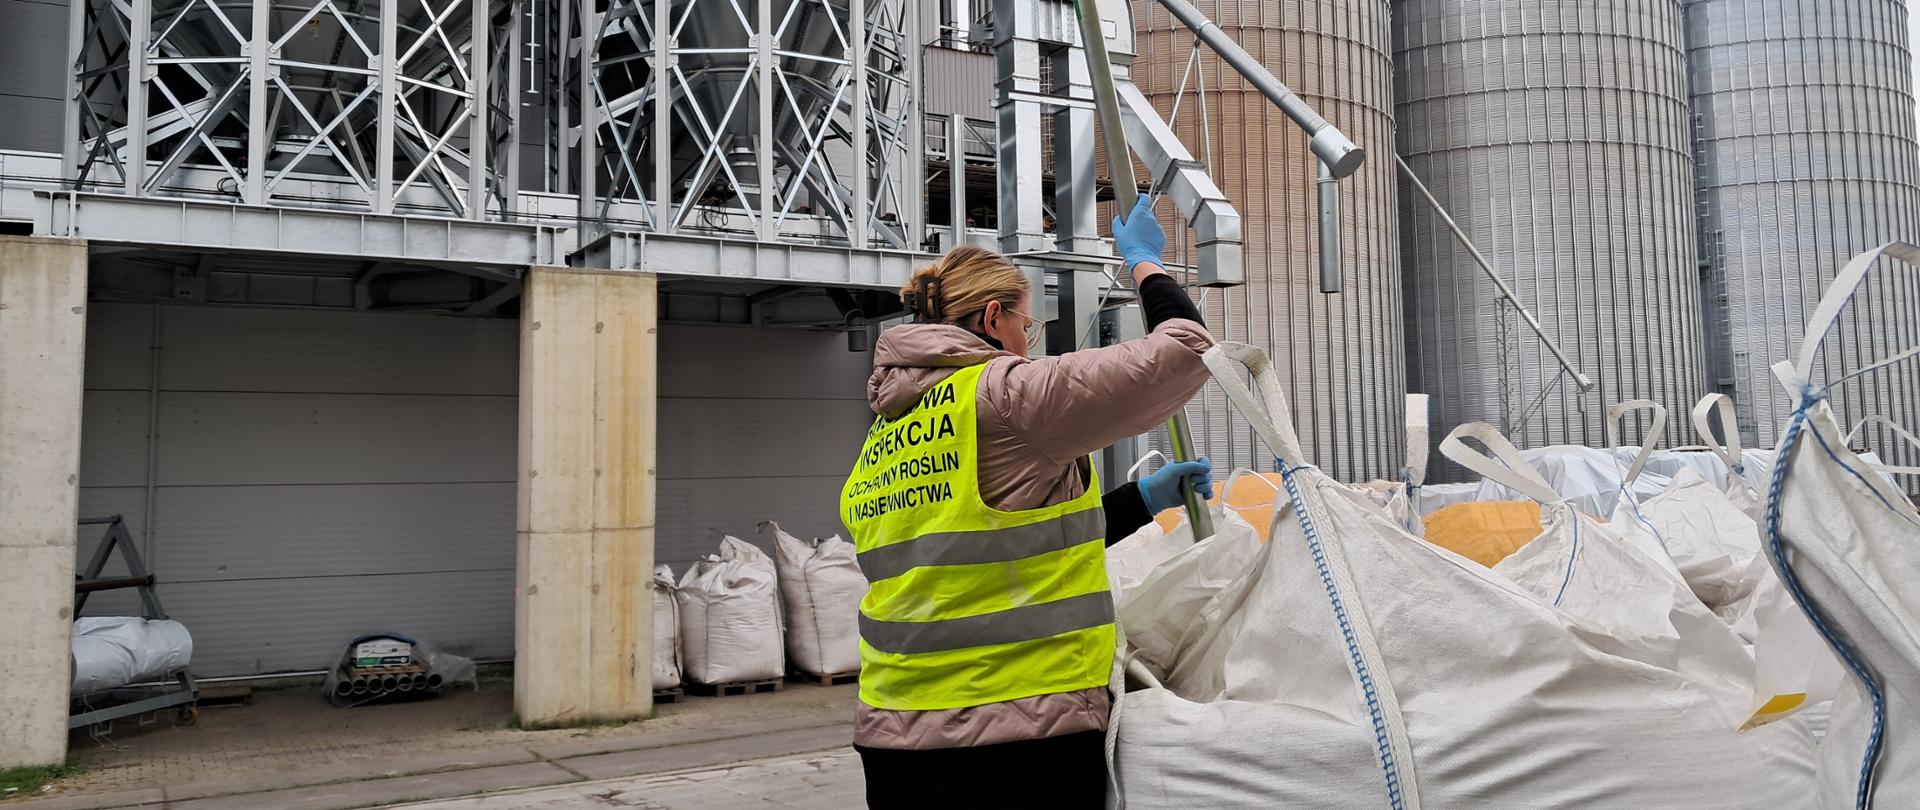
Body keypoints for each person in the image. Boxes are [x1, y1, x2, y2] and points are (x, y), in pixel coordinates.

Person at [840, 197, 1216, 808]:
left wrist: (1142, 499)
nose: (1027, 343)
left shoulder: (884, 440)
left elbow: (1006, 545)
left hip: (894, 733)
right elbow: (1187, 349)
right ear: (993, 319)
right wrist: (1145, 263)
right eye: (1026, 327)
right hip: (1021, 731)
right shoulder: (1004, 393)